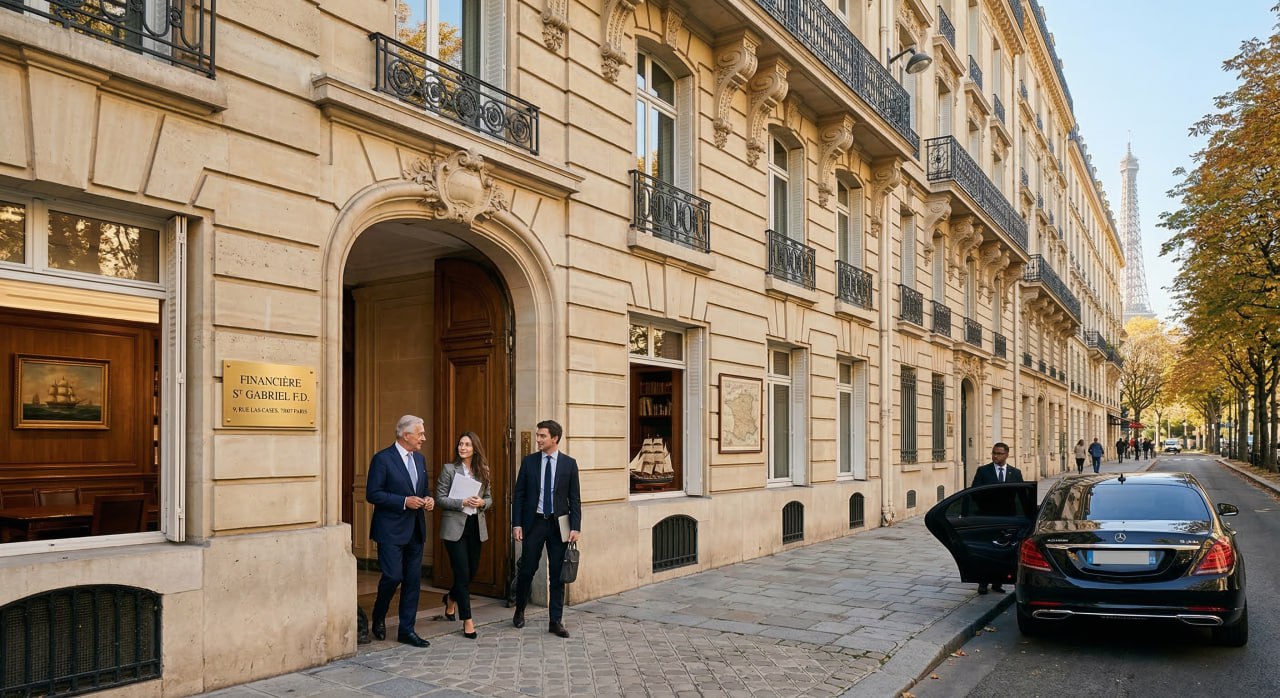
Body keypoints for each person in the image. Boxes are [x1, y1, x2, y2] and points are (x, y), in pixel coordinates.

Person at [366, 415, 435, 648]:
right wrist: (404, 501)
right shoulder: (382, 459)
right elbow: (373, 494)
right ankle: (378, 615)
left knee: (413, 582)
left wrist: (428, 499)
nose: (423, 438)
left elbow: (423, 489)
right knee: (393, 576)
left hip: (415, 530)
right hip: (390, 531)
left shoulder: (421, 460)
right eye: (421, 434)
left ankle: (407, 630)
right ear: (406, 435)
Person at [512, 419, 582, 638]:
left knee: (558, 575)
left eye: (542, 436)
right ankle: (520, 611)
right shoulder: (529, 462)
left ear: (555, 438)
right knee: (526, 570)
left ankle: (555, 621)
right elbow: (519, 495)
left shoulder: (569, 464)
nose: (538, 439)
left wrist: (576, 526)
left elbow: (575, 499)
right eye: (537, 435)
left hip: (558, 525)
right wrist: (517, 524)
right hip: (535, 523)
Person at [437, 431, 493, 640]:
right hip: (454, 528)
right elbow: (440, 498)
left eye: (467, 445)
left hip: (475, 527)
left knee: (471, 572)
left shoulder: (483, 471)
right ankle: (467, 620)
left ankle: (451, 598)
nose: (463, 448)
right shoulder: (449, 470)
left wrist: (482, 503)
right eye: (461, 444)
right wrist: (462, 502)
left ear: (475, 448)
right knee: (461, 571)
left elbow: (489, 498)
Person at [969, 442, 1022, 594]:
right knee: (986, 551)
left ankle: (998, 583)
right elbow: (975, 492)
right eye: (993, 453)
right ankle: (983, 583)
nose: (995, 456)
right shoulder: (983, 471)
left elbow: (1020, 496)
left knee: (1003, 551)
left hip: (1007, 519)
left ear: (1007, 455)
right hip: (988, 518)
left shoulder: (1015, 473)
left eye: (999, 453)